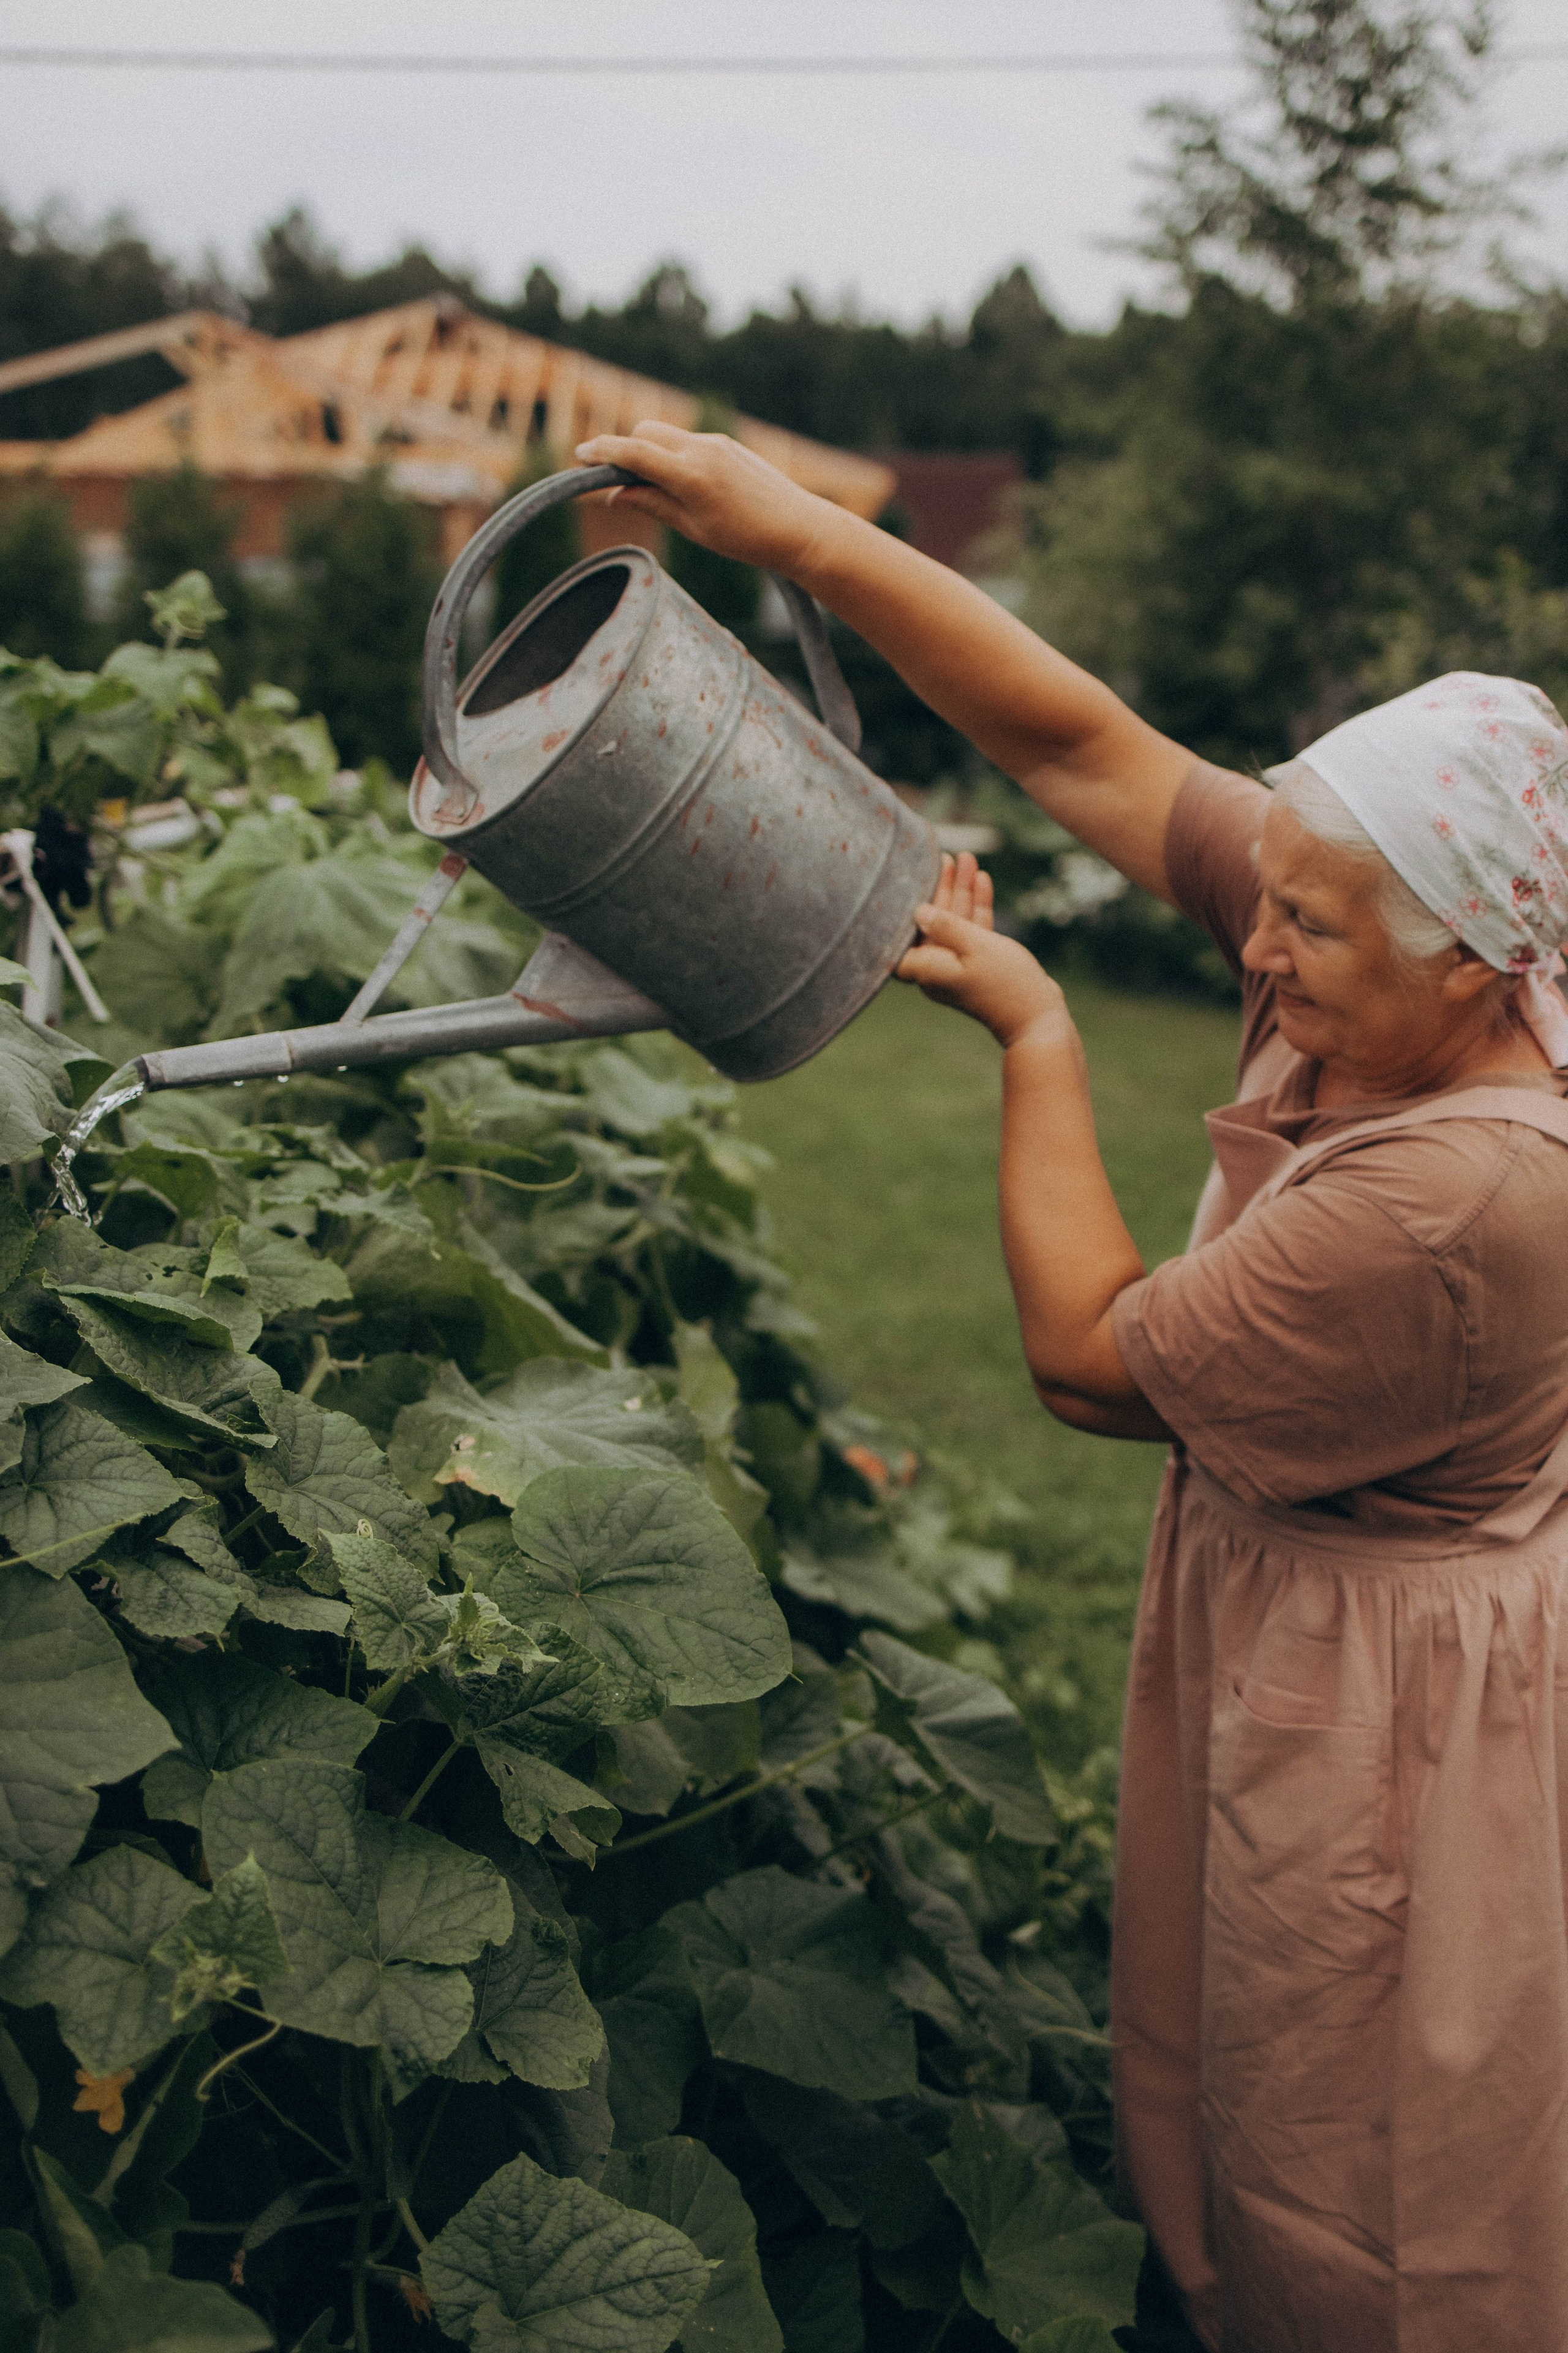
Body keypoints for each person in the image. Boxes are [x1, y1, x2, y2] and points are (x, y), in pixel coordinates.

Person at [574, 421, 1568, 2353]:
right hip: (1319, 1611)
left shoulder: (1462, 1192)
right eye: (1269, 894)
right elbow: (1086, 745)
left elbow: (1097, 1360)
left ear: (1472, 965)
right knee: (1263, 2064)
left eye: (1308, 928)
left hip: (1394, 1704)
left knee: (1368, 2138)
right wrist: (789, 529)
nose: (1256, 951)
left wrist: (1036, 1030)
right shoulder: (1424, 935)